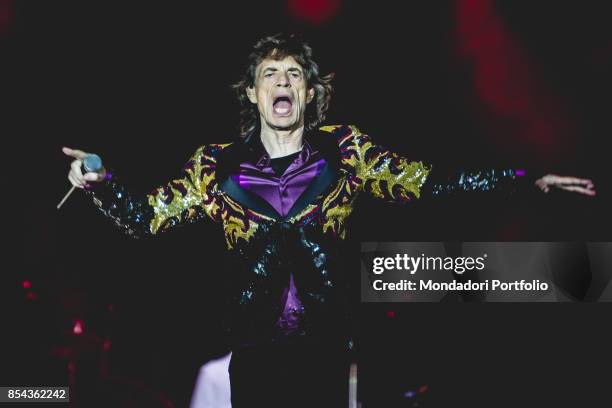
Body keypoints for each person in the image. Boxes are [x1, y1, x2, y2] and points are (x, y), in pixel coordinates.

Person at [63, 33, 596, 407]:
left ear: (308, 93)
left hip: (324, 352)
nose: (282, 81)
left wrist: (525, 179)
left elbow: (428, 184)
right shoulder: (214, 166)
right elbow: (146, 218)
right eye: (270, 73)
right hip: (255, 355)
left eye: (293, 74)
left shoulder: (345, 151)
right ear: (252, 93)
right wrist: (103, 182)